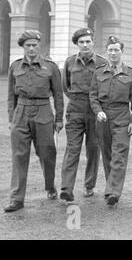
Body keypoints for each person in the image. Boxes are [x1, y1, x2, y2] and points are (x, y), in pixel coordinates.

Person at [5, 30, 64, 212]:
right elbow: (10, 96)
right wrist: (11, 119)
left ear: (39, 46)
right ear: (23, 47)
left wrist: (59, 119)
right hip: (21, 113)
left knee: (47, 154)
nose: (31, 49)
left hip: (43, 111)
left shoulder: (50, 67)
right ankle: (17, 199)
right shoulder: (15, 67)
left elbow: (58, 95)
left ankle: (49, 186)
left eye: (34, 45)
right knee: (19, 156)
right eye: (27, 46)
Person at [89, 36, 132, 206]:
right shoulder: (99, 72)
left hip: (121, 117)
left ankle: (114, 192)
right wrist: (98, 111)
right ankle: (110, 187)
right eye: (110, 50)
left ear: (122, 51)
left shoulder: (131, 73)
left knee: (119, 155)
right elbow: (93, 96)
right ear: (107, 51)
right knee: (107, 155)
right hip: (103, 118)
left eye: (116, 50)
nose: (113, 53)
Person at [60, 28, 108, 202]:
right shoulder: (70, 62)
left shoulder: (103, 63)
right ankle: (66, 188)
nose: (85, 45)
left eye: (88, 41)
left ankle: (89, 185)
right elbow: (65, 87)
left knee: (93, 149)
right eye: (82, 42)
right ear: (77, 44)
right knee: (72, 149)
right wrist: (77, 100)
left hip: (96, 111)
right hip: (75, 109)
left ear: (93, 42)